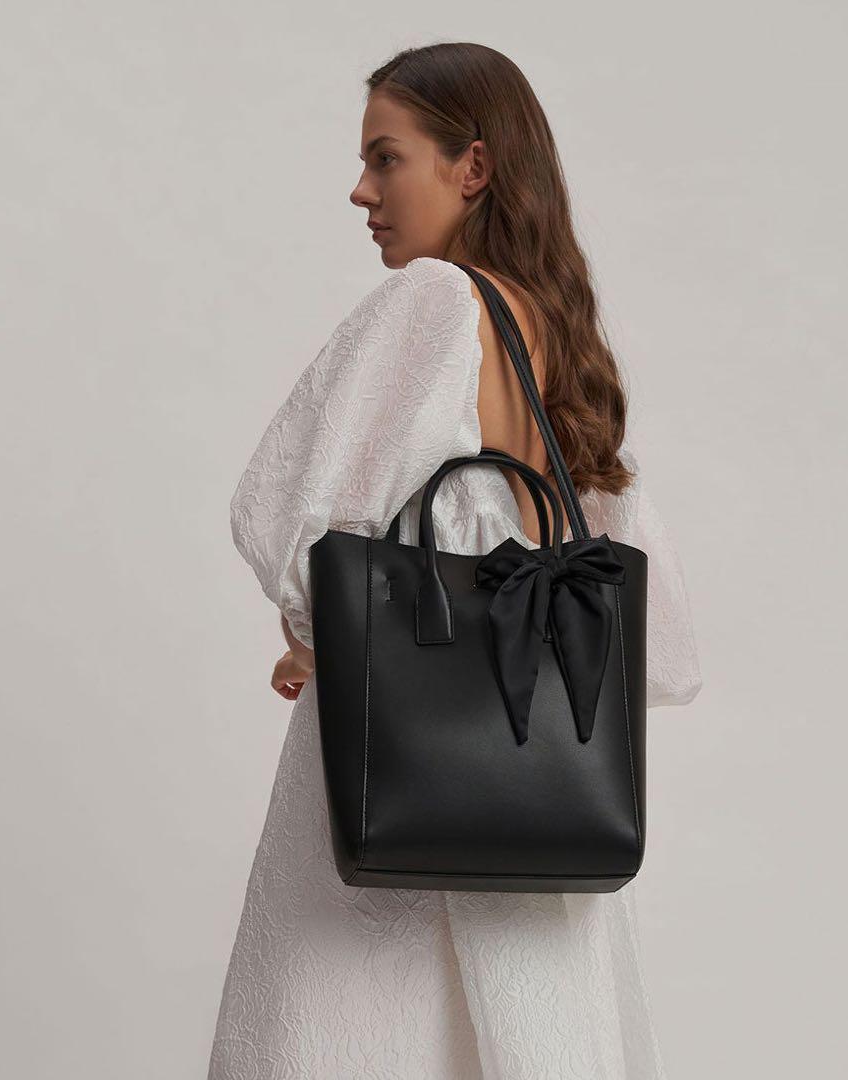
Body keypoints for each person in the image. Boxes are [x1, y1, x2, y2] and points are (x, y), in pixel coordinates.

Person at [208, 42, 702, 1080]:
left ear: (471, 166)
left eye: (385, 158)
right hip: (537, 794)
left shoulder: (436, 301)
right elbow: (641, 616)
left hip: (412, 762)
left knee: (362, 1017)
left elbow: (307, 514)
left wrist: (311, 630)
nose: (361, 190)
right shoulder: (559, 335)